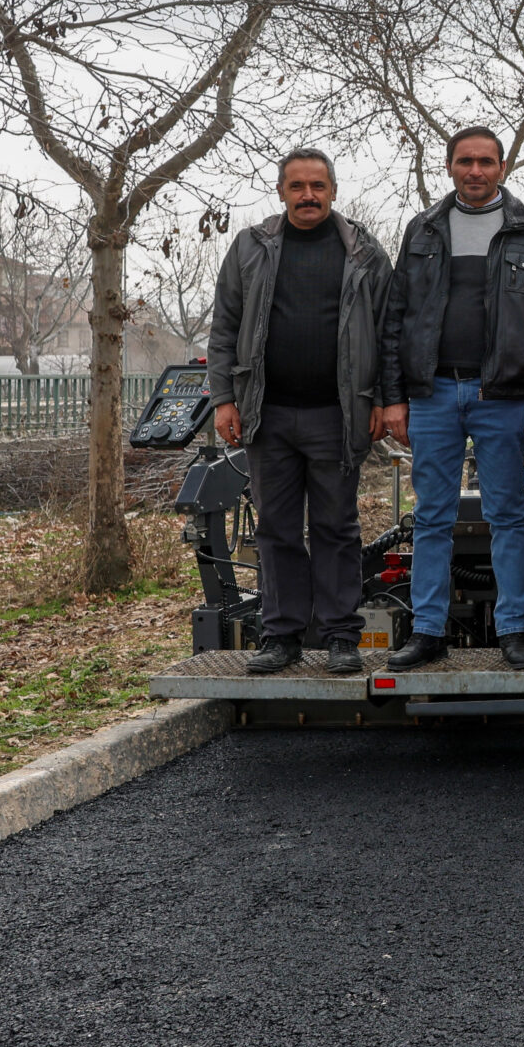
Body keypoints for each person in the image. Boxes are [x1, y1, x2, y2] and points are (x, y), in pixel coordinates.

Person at [208, 148, 392, 676]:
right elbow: (225, 327)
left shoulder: (364, 252)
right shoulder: (251, 247)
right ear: (282, 191)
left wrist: (380, 398)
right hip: (269, 416)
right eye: (297, 186)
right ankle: (281, 635)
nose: (307, 195)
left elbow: (388, 331)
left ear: (333, 191)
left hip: (338, 416)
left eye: (317, 186)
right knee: (277, 529)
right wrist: (224, 399)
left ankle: (339, 636)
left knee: (337, 527)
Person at [376, 127, 524, 672]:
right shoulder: (423, 229)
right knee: (431, 516)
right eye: (465, 162)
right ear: (450, 166)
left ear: (502, 167)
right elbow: (395, 321)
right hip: (432, 393)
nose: (475, 171)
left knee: (509, 514)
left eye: (486, 162)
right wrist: (395, 398)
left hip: (503, 395)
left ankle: (514, 629)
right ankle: (427, 631)